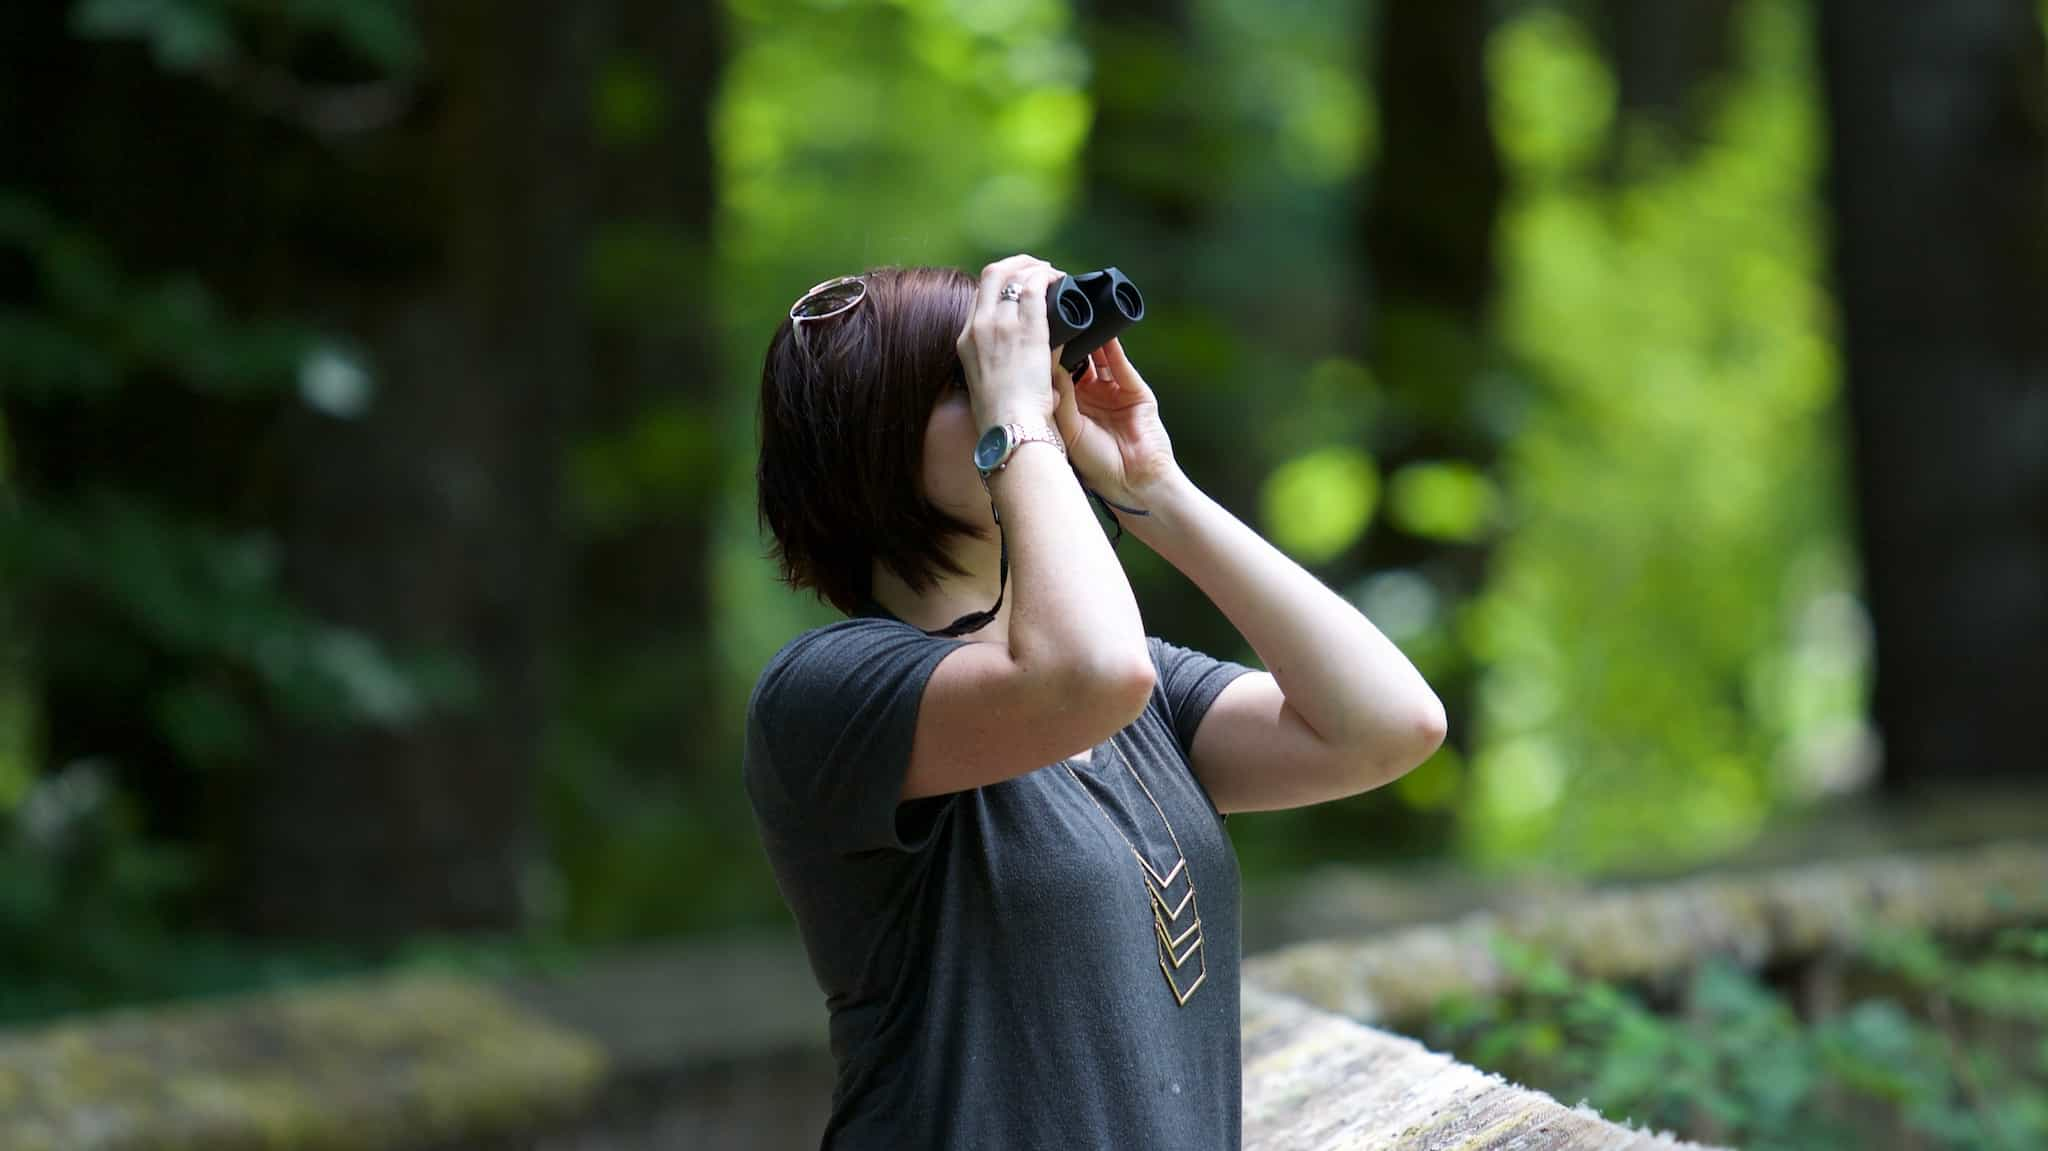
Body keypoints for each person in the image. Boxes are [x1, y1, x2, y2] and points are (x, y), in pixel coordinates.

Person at [745, 253, 1447, 1149]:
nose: (1031, 392)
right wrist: (1023, 430)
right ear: (871, 439)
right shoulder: (828, 692)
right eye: (973, 380)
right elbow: (1087, 676)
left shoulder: (1132, 689)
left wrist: (1155, 488)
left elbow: (1389, 726)